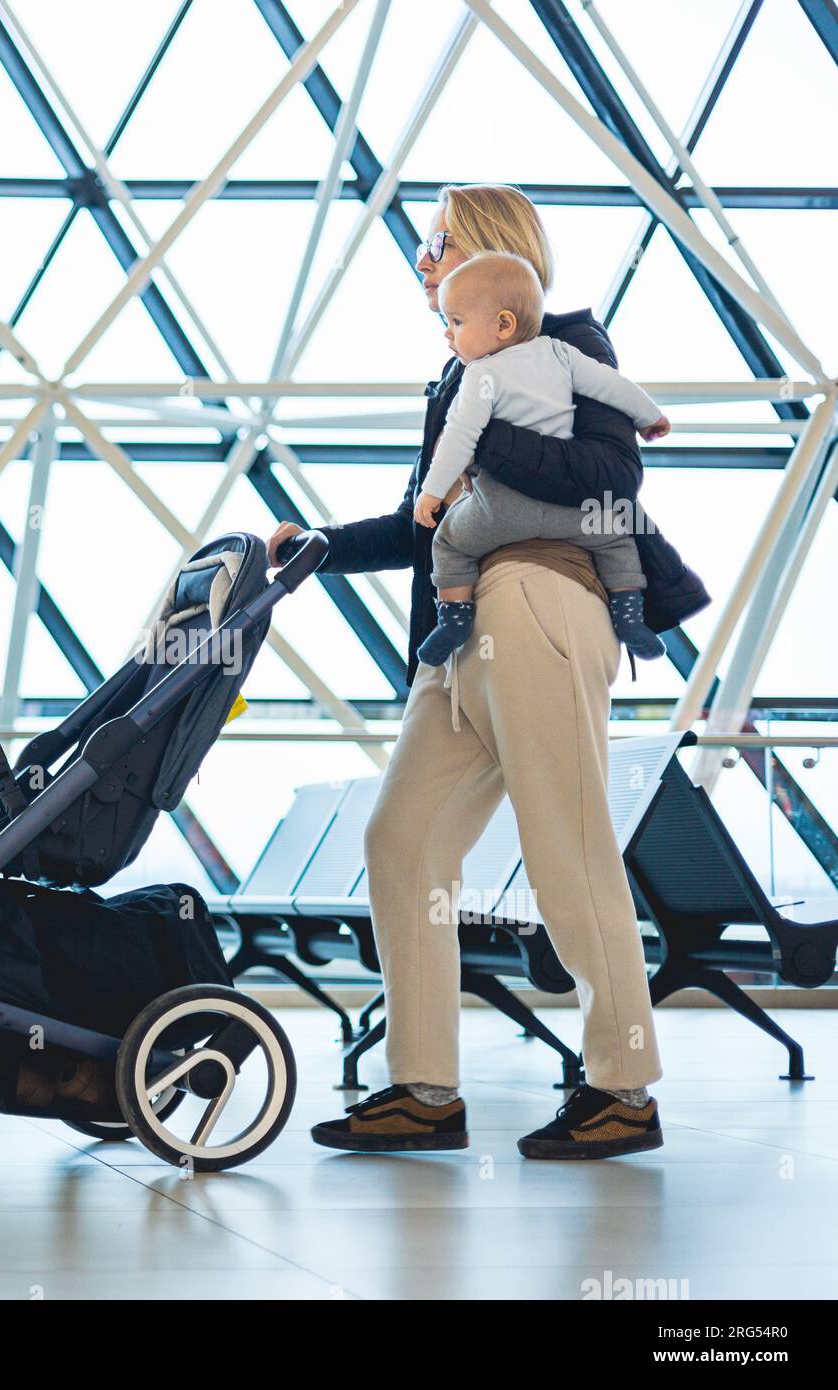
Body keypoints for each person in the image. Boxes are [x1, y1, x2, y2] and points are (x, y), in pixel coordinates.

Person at [267, 184, 709, 1160]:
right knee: (401, 841)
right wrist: (316, 548)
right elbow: (420, 520)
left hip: (539, 600)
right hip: (459, 641)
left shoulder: (569, 348)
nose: (422, 262)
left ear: (493, 253)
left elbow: (609, 479)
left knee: (568, 850)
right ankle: (423, 1087)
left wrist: (484, 423)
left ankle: (623, 1088)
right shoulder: (453, 375)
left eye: (438, 244)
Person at [411, 250, 671, 668]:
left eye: (456, 322)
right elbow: (612, 387)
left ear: (503, 324)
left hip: (502, 510)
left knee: (450, 544)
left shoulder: (480, 375)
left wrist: (431, 493)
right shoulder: (560, 353)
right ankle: (629, 617)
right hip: (572, 512)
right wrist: (650, 417)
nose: (448, 334)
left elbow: (460, 440)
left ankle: (454, 619)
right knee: (619, 539)